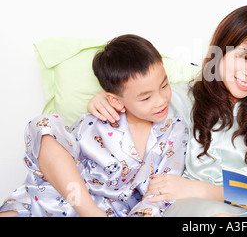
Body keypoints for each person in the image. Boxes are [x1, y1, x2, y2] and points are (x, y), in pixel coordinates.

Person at [89, 5, 247, 216]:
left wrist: (202, 189)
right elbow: (136, 100)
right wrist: (106, 100)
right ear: (220, 50)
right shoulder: (177, 98)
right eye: (244, 57)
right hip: (180, 209)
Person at [0, 34, 188, 217]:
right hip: (60, 199)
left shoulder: (175, 130)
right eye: (146, 97)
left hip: (116, 211)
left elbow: (161, 192)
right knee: (44, 123)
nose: (161, 100)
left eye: (164, 86)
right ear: (115, 100)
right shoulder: (95, 121)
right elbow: (52, 157)